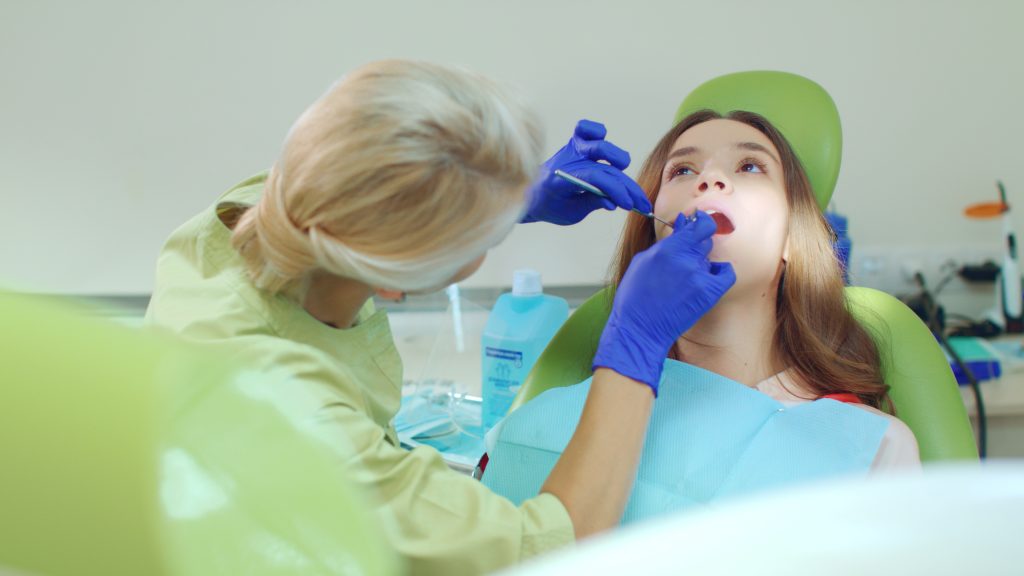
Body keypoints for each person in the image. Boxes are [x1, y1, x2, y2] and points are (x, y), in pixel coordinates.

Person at [145, 59, 734, 574]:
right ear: (396, 283)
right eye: (683, 170)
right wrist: (635, 341)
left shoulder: (227, 228)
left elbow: (360, 190)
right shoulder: (299, 422)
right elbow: (550, 554)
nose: (711, 183)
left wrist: (502, 196)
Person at [482, 73, 920, 525]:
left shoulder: (871, 450)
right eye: (683, 171)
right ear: (653, 229)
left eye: (750, 166)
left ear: (793, 237)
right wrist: (495, 203)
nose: (710, 178)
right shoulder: (536, 428)